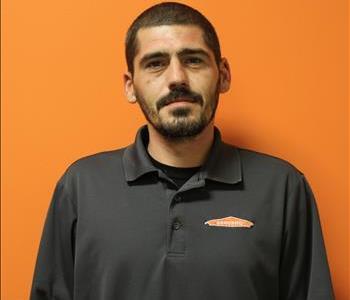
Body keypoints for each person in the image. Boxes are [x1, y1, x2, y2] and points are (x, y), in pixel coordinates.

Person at [30, 2, 335, 299]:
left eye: (193, 60)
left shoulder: (282, 188)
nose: (177, 78)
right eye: (155, 63)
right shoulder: (81, 187)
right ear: (130, 85)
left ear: (224, 74)